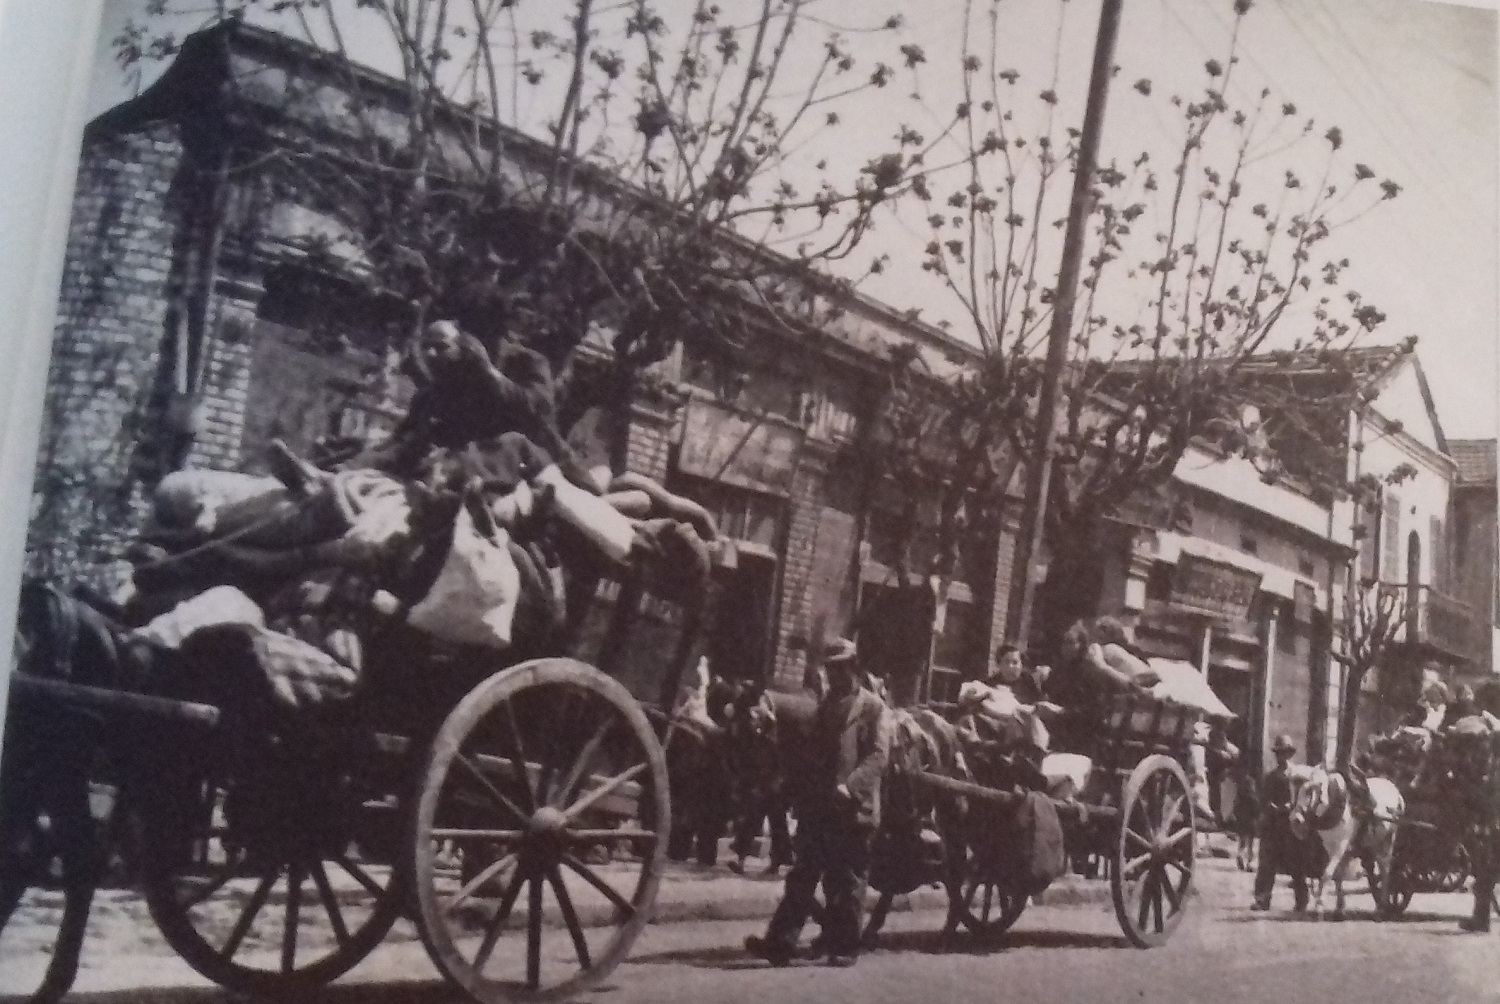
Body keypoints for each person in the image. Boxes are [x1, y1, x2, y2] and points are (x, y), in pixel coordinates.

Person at [746, 639, 893, 968]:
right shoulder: (825, 706)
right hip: (821, 806)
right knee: (803, 874)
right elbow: (811, 750)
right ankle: (780, 943)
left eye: (840, 668)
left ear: (853, 668)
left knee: (847, 880)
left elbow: (879, 756)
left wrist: (851, 786)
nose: (834, 674)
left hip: (855, 809)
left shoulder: (874, 708)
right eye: (830, 668)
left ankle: (845, 946)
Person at [1252, 734, 1312, 912]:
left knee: (1296, 863)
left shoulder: (1297, 775)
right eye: (1279, 753)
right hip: (1272, 825)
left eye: (1285, 753)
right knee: (1267, 864)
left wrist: (1291, 806)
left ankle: (1302, 900)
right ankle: (1262, 899)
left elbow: (1304, 797)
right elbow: (1263, 798)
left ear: (1290, 754)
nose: (1282, 756)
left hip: (1291, 824)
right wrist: (1270, 806)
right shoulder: (1270, 776)